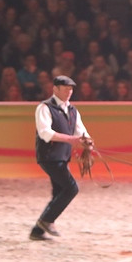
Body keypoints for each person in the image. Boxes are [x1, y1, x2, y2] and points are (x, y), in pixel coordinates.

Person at [30, 75, 92, 240]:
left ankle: (37, 230)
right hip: (49, 156)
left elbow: (80, 130)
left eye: (71, 89)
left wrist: (87, 141)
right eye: (65, 89)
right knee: (71, 188)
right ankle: (46, 221)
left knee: (59, 192)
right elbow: (45, 133)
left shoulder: (72, 110)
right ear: (55, 89)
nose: (69, 92)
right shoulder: (44, 107)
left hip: (62, 156)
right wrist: (71, 139)